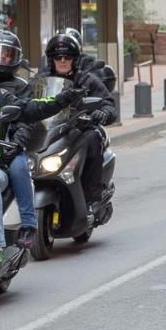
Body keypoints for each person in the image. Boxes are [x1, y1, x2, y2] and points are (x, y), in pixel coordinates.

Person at [0, 31, 82, 250]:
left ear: (16, 59)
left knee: (20, 167)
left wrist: (17, 142)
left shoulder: (20, 86)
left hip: (8, 144)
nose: (2, 59)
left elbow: (29, 115)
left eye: (8, 55)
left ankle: (28, 223)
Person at [45, 32, 116, 217]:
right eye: (57, 57)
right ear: (51, 60)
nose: (62, 61)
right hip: (53, 131)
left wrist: (103, 112)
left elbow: (109, 104)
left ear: (74, 59)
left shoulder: (86, 80)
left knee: (92, 139)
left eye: (67, 57)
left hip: (80, 129)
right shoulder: (42, 82)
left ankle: (92, 197)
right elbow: (30, 102)